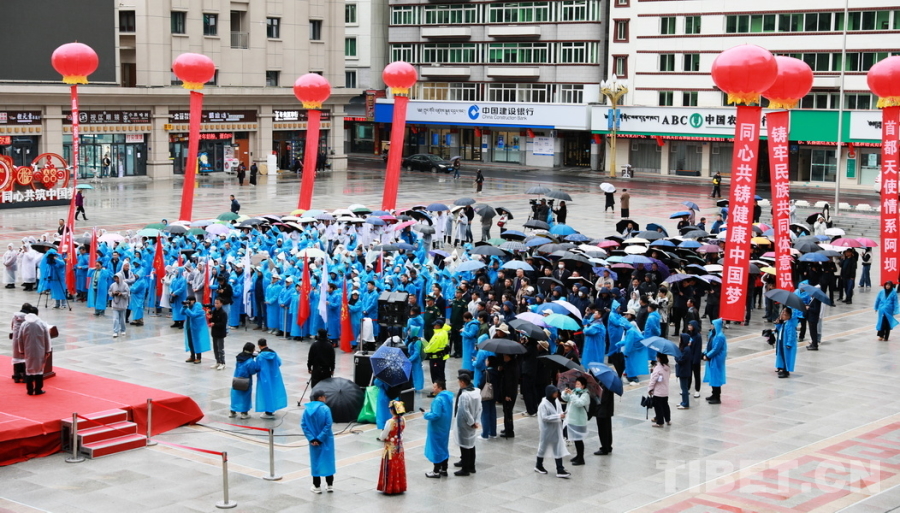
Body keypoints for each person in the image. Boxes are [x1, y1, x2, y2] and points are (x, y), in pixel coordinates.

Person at [302, 390, 336, 494]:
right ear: (320, 397)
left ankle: (316, 486)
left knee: (315, 462)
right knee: (328, 460)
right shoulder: (325, 409)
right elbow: (328, 425)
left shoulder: (307, 410)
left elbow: (304, 425)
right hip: (326, 440)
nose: (325, 398)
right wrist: (320, 438)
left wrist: (312, 438)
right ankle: (329, 485)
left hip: (313, 442)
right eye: (324, 396)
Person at [535, 385, 571, 478]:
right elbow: (544, 417)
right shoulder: (543, 404)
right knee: (543, 447)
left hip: (556, 428)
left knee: (557, 448)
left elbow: (559, 411)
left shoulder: (556, 401)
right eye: (554, 392)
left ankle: (560, 469)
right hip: (547, 430)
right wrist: (558, 416)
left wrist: (562, 414)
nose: (556, 394)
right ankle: (539, 465)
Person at [16, 307, 51, 396]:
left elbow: (20, 338)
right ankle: (38, 389)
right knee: (39, 369)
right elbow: (47, 338)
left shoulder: (24, 324)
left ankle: (30, 390)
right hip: (40, 350)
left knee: (29, 369)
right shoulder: (42, 324)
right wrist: (47, 350)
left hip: (28, 350)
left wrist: (21, 350)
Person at [452, 373, 482, 476]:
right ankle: (471, 466)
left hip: (465, 424)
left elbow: (464, 410)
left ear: (462, 382)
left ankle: (465, 469)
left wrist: (471, 422)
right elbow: (480, 408)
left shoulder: (464, 395)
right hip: (473, 422)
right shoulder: (477, 392)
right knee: (471, 444)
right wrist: (476, 421)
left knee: (464, 446)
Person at [423, 380, 454, 478]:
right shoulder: (448, 397)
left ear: (440, 388)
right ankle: (444, 469)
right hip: (444, 427)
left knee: (436, 448)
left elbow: (436, 415)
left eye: (435, 387)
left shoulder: (438, 400)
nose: (433, 389)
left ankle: (436, 471)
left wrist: (426, 414)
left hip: (436, 428)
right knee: (443, 447)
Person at [377, 401, 407, 495]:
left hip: (390, 448)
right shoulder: (403, 419)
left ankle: (390, 487)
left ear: (392, 410)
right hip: (399, 447)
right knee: (399, 465)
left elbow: (383, 435)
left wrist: (381, 437)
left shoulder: (390, 422)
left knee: (390, 466)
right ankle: (399, 486)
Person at [561, 377, 590, 466]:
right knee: (575, 439)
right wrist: (565, 392)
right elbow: (565, 399)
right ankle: (578, 455)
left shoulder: (585, 395)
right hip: (571, 419)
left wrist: (572, 395)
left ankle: (581, 458)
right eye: (576, 384)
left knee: (578, 439)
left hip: (579, 420)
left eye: (578, 384)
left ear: (583, 386)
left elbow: (579, 403)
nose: (576, 386)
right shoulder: (574, 392)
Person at [255, 338, 288, 419]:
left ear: (259, 346)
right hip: (274, 376)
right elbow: (279, 362)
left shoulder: (260, 356)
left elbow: (257, 367)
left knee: (266, 394)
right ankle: (273, 408)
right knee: (274, 392)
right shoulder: (273, 353)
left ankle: (268, 411)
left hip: (264, 378)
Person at [230, 342, 259, 418]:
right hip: (246, 380)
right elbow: (252, 371)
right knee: (245, 397)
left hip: (236, 378)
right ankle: (244, 413)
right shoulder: (250, 361)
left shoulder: (239, 357)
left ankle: (232, 411)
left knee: (235, 396)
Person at [702, 319, 727, 404]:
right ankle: (713, 394)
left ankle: (717, 397)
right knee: (713, 377)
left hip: (717, 360)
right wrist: (705, 353)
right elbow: (709, 346)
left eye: (713, 325)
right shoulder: (713, 334)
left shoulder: (720, 336)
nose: (711, 326)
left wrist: (707, 356)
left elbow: (716, 349)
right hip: (713, 359)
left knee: (716, 378)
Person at [424, 319, 451, 392]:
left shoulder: (438, 335)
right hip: (442, 357)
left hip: (436, 358)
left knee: (436, 375)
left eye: (435, 325)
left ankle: (437, 390)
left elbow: (432, 346)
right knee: (441, 374)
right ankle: (442, 389)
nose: (434, 326)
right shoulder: (444, 331)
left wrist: (425, 350)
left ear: (438, 326)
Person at [183, 297, 211, 364]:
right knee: (190, 342)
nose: (188, 302)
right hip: (189, 326)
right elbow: (181, 312)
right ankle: (192, 356)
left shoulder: (198, 307)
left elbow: (193, 315)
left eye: (189, 301)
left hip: (196, 328)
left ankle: (198, 357)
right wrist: (184, 306)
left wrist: (186, 308)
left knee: (196, 342)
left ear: (193, 301)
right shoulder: (189, 307)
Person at [498, 352, 519, 438]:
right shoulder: (511, 365)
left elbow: (509, 382)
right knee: (507, 411)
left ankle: (509, 431)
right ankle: (507, 428)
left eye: (505, 355)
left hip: (509, 393)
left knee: (508, 411)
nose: (503, 357)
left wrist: (508, 395)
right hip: (510, 392)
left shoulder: (511, 367)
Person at [774, 307, 799, 378]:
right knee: (782, 355)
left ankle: (786, 371)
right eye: (782, 313)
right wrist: (778, 324)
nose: (782, 315)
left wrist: (789, 343)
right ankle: (781, 367)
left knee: (787, 357)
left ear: (789, 316)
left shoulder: (790, 324)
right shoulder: (784, 323)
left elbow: (791, 335)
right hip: (782, 342)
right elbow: (779, 330)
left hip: (786, 345)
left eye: (784, 314)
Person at [648, 354, 671, 427]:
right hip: (665, 390)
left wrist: (650, 389)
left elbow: (653, 380)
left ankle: (660, 422)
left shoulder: (658, 368)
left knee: (658, 407)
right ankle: (668, 420)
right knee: (665, 405)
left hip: (658, 391)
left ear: (659, 358)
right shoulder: (667, 367)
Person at [593, 385, 615, 456]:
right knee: (607, 429)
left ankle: (604, 448)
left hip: (602, 410)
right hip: (606, 410)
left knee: (603, 430)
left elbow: (602, 398)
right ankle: (608, 446)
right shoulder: (608, 384)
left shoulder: (604, 385)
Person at [108, 274, 131, 338]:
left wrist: (122, 294)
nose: (116, 279)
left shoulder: (125, 285)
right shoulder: (113, 285)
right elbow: (109, 292)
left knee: (122, 319)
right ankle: (115, 332)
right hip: (115, 305)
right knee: (115, 319)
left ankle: (123, 330)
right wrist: (113, 293)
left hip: (122, 305)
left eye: (117, 278)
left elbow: (128, 293)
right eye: (115, 278)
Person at [209, 297, 228, 370]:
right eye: (215, 303)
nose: (216, 304)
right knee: (215, 348)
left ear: (221, 303)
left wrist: (215, 324)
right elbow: (212, 320)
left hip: (220, 333)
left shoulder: (223, 313)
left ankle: (222, 363)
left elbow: (223, 324)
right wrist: (210, 318)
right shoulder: (214, 311)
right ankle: (218, 361)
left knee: (220, 349)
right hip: (214, 332)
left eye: (217, 303)